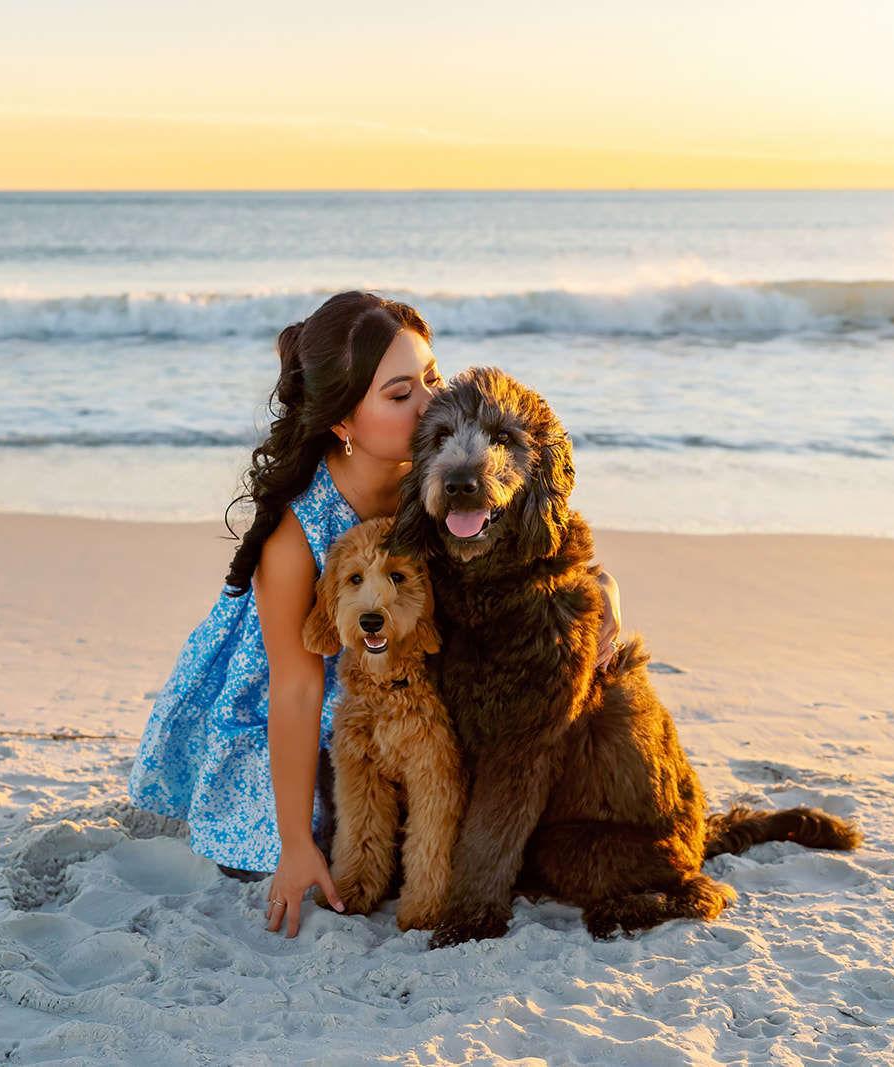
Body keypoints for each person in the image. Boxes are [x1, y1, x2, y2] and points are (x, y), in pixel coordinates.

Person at [129, 291, 621, 938]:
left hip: (413, 690)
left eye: (432, 378)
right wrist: (296, 845)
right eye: (399, 395)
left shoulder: (445, 469)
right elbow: (297, 690)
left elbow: (534, 542)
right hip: (314, 706)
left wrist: (605, 583)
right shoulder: (294, 532)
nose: (429, 404)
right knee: (347, 843)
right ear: (342, 422)